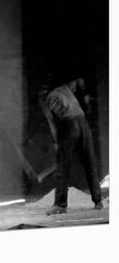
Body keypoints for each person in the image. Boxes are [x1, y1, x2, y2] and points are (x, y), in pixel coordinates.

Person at [39, 77, 103, 215]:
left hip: (69, 124)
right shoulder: (64, 88)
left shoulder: (45, 99)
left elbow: (52, 125)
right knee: (89, 161)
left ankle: (60, 205)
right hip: (83, 122)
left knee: (63, 165)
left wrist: (57, 143)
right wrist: (85, 97)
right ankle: (98, 201)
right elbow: (80, 80)